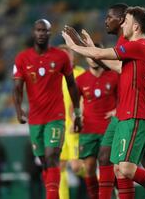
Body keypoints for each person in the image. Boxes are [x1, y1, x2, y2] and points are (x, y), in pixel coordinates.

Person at [62, 6, 145, 199]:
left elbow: (102, 57)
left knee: (125, 167)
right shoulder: (136, 47)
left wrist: (74, 47)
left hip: (135, 112)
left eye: (126, 20)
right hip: (131, 111)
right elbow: (117, 66)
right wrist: (90, 48)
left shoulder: (136, 45)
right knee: (121, 167)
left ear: (135, 27)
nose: (122, 22)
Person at [13, 19, 82, 199]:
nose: (42, 33)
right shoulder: (22, 58)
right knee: (44, 162)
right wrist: (19, 110)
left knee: (53, 157)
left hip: (56, 116)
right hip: (35, 118)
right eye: (38, 30)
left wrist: (77, 112)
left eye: (45, 30)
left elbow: (72, 86)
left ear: (50, 33)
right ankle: (53, 192)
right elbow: (17, 88)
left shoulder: (60, 57)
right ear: (33, 32)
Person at [76, 43, 119, 199]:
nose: (92, 58)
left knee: (110, 167)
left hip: (109, 129)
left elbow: (125, 97)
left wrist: (117, 111)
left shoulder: (114, 75)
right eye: (89, 55)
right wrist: (76, 116)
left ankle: (117, 192)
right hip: (88, 130)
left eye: (95, 54)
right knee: (88, 168)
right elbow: (75, 103)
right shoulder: (80, 80)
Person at [58, 44, 85, 199]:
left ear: (73, 57)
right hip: (60, 127)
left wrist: (79, 116)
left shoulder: (81, 74)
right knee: (59, 166)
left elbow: (86, 99)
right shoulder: (54, 76)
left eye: (67, 55)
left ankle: (98, 174)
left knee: (76, 167)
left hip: (75, 127)